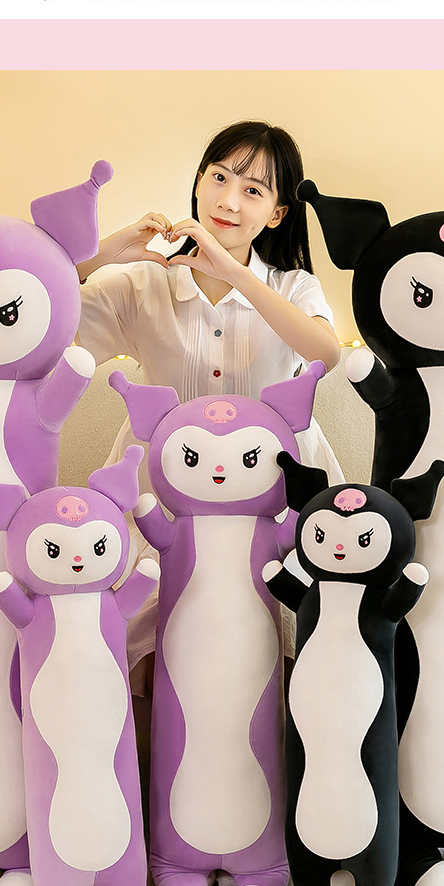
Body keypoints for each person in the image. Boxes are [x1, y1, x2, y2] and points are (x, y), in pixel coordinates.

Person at [76, 120, 343, 694]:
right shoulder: (142, 284)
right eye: (219, 178)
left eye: (253, 190)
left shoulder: (291, 286)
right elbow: (39, 316)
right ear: (198, 181)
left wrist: (236, 274)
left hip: (275, 483)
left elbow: (326, 354)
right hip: (161, 483)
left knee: (291, 620)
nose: (229, 200)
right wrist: (106, 252)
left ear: (277, 213)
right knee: (140, 622)